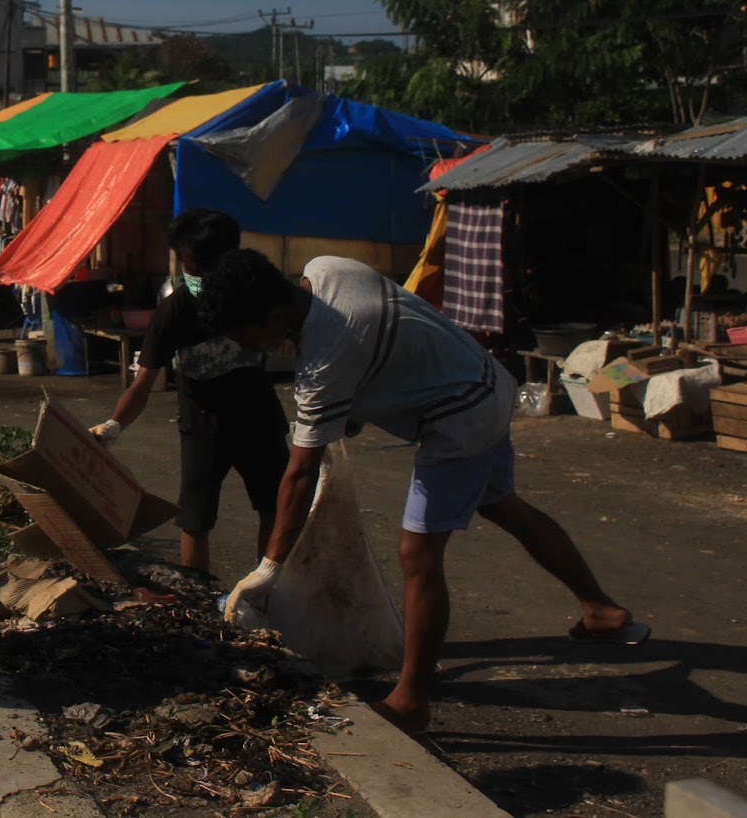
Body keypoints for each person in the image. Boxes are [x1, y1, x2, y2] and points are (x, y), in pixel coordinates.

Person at [209, 250, 644, 735]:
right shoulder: (328, 269)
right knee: (507, 507)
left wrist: (269, 568)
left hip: (459, 419)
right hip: (486, 382)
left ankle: (411, 700)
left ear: (275, 315)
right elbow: (388, 348)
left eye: (251, 339)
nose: (256, 351)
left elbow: (299, 473)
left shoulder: (324, 356)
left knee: (418, 554)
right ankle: (601, 609)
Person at [88, 209, 288, 575]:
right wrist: (113, 426)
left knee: (275, 505)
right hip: (205, 422)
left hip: (258, 411)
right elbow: (143, 382)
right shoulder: (175, 311)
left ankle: (270, 590)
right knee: (195, 517)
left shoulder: (254, 293)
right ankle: (199, 595)